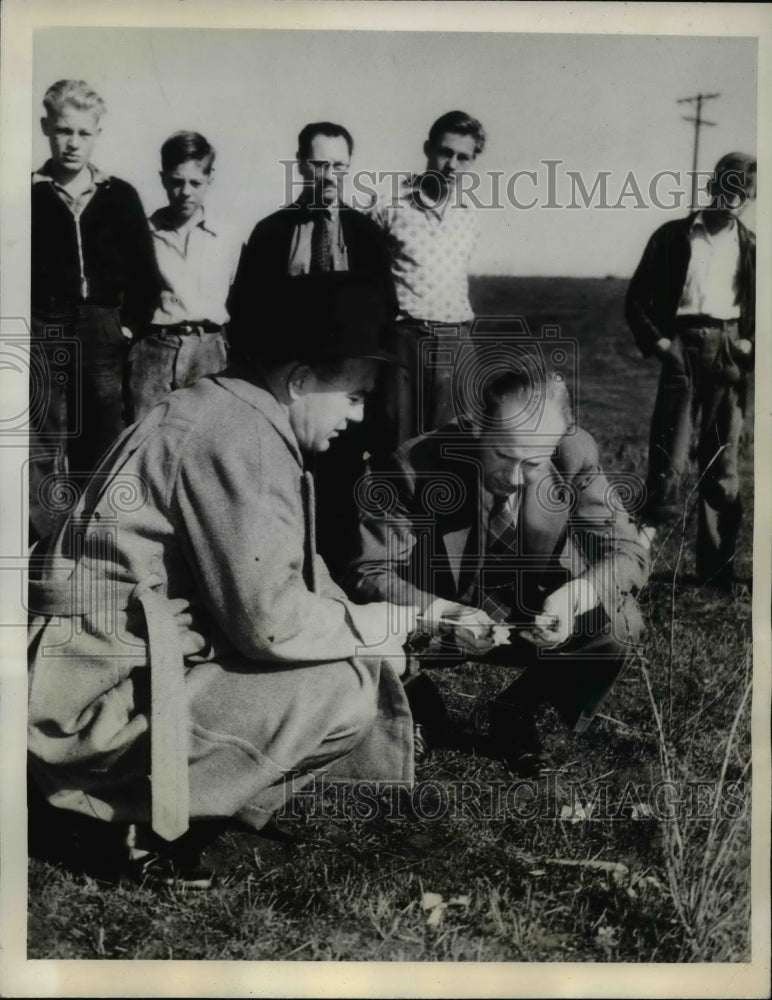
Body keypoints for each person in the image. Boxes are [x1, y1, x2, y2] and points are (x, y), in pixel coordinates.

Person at [27, 275, 492, 884]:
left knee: (358, 658)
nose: (358, 416)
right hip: (79, 701)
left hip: (100, 666)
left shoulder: (233, 411)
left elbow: (295, 572)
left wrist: (420, 619)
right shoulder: (238, 435)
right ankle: (120, 819)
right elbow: (268, 624)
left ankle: (186, 803)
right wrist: (385, 626)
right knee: (341, 686)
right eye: (353, 395)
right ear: (299, 381)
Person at [344, 366, 650, 775]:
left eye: (532, 463)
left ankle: (514, 710)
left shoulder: (574, 454)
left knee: (621, 623)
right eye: (501, 454)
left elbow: (629, 550)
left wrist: (575, 598)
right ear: (476, 427)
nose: (511, 477)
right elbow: (367, 573)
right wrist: (446, 616)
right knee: (358, 623)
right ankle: (415, 699)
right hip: (434, 623)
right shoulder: (416, 463)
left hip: (532, 615)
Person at [227, 122, 396, 579]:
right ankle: (281, 577)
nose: (329, 175)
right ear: (301, 164)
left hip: (343, 395)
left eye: (339, 166)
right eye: (320, 164)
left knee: (341, 489)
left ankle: (340, 578)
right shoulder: (271, 231)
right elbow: (244, 311)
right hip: (290, 395)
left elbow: (387, 312)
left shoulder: (365, 234)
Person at [30, 79, 160, 545]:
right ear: (46, 127)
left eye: (84, 133)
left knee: (101, 442)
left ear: (98, 132)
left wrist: (125, 327)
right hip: (43, 325)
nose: (73, 143)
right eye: (64, 131)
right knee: (43, 441)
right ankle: (47, 549)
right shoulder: (29, 194)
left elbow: (147, 274)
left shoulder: (118, 195)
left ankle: (94, 546)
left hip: (102, 329)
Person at [626, 153, 756, 588]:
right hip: (682, 346)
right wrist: (662, 343)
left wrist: (749, 342)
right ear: (712, 184)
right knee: (669, 454)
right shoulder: (674, 236)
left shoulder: (752, 246)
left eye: (742, 188)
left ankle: (716, 571)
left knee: (723, 457)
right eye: (726, 183)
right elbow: (636, 300)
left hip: (729, 352)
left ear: (751, 196)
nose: (731, 195)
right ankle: (633, 565)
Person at [368, 110, 486, 451]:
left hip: (456, 340)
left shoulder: (469, 212)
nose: (452, 165)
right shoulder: (389, 206)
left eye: (463, 157)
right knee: (398, 445)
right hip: (404, 339)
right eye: (445, 152)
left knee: (454, 445)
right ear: (428, 149)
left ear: (472, 161)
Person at [128, 131, 243, 421]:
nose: (186, 192)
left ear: (210, 179)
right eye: (177, 182)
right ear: (163, 178)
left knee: (205, 438)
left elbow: (238, 296)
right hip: (154, 352)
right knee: (147, 436)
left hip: (210, 351)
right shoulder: (142, 233)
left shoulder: (228, 237)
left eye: (196, 183)